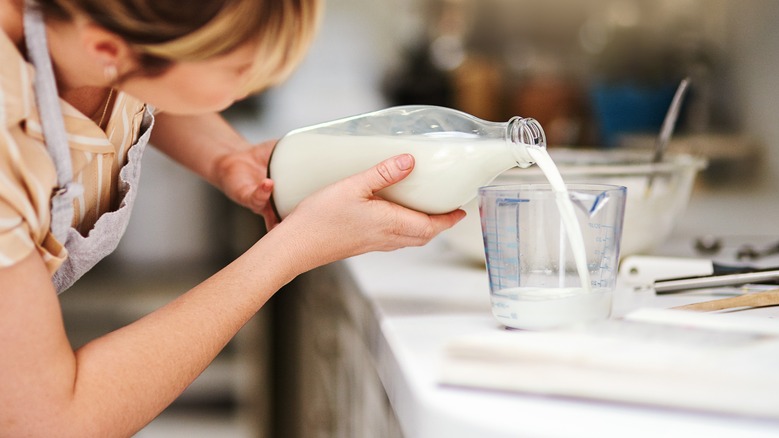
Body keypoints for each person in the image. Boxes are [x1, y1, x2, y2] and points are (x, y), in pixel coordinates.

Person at [0, 0, 465, 435]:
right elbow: (49, 420)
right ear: (105, 49)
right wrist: (291, 250)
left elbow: (142, 82)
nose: (256, 84)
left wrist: (227, 157)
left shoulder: (101, 27)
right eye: (241, 68)